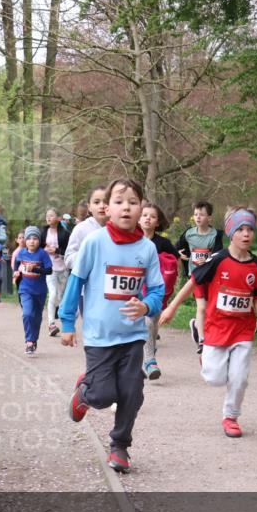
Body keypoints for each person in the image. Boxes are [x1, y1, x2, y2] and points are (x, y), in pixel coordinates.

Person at [60, 178, 164, 473]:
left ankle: (120, 446)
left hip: (132, 337)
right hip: (99, 336)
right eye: (119, 202)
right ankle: (85, 392)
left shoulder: (147, 249)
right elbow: (76, 282)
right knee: (103, 396)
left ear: (142, 207)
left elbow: (157, 291)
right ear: (107, 208)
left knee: (132, 391)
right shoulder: (94, 242)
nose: (126, 208)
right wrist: (67, 322)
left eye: (133, 202)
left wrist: (146, 305)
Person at [159, 207, 257, 438]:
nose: (246, 234)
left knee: (239, 378)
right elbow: (193, 281)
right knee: (214, 378)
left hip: (243, 330)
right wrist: (171, 307)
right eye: (241, 229)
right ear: (231, 232)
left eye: (250, 229)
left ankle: (231, 417)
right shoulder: (217, 260)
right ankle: (201, 343)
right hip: (217, 327)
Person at [175, 201, 225, 354]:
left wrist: (208, 259)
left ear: (209, 218)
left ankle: (197, 325)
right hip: (196, 276)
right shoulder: (189, 233)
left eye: (201, 214)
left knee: (212, 308)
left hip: (211, 276)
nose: (198, 217)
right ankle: (202, 341)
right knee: (202, 307)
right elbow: (176, 248)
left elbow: (219, 254)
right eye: (196, 214)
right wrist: (180, 255)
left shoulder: (215, 235)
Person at [139, 203, 179, 380]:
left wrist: (170, 282)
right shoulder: (131, 239)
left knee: (153, 326)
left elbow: (174, 262)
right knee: (147, 323)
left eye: (152, 216)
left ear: (157, 222)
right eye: (144, 215)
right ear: (138, 218)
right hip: (136, 291)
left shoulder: (163, 243)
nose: (147, 218)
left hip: (155, 292)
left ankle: (148, 352)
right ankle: (150, 361)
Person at [12, 226, 53, 355]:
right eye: (29, 238)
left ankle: (34, 339)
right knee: (27, 314)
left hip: (40, 291)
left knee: (36, 317)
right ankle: (29, 341)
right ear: (25, 240)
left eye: (35, 238)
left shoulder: (42, 253)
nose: (32, 241)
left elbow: (49, 270)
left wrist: (34, 269)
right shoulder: (21, 253)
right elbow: (16, 265)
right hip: (25, 289)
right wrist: (16, 272)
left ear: (39, 240)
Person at [39, 208, 70, 336]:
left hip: (63, 268)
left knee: (61, 296)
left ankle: (65, 325)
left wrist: (57, 251)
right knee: (52, 294)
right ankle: (51, 324)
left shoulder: (65, 233)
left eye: (51, 215)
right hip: (50, 268)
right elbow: (39, 247)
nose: (48, 218)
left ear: (58, 218)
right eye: (47, 215)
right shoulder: (43, 231)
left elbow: (69, 251)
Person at [64, 185, 108, 272]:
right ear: (89, 207)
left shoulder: (120, 229)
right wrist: (88, 255)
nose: (102, 206)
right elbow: (68, 259)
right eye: (96, 202)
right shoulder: (81, 229)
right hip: (88, 283)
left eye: (106, 202)